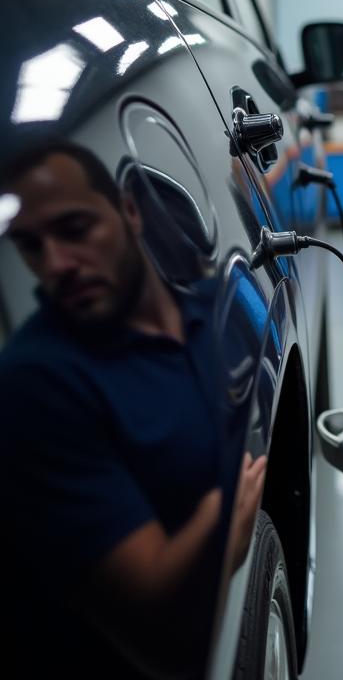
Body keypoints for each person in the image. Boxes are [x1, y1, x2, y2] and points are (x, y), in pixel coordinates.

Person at [0, 142, 266, 677]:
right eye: (31, 246)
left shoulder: (213, 305)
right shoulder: (37, 382)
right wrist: (221, 518)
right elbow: (154, 611)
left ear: (129, 209)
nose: (57, 265)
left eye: (75, 230)